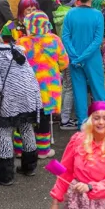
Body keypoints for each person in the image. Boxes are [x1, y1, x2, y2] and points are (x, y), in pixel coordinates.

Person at [48, 102, 105, 209]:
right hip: (77, 201)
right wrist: (55, 202)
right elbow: (64, 171)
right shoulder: (77, 140)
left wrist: (90, 188)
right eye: (96, 118)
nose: (101, 122)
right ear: (90, 121)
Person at [0, 25, 43, 184]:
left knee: (4, 132)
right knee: (26, 127)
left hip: (11, 98)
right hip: (31, 94)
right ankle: (30, 166)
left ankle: (6, 174)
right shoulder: (16, 50)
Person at [17, 10, 69, 161]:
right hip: (48, 86)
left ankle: (20, 149)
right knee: (44, 116)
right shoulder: (54, 40)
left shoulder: (22, 42)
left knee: (24, 117)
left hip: (27, 85)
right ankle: (43, 150)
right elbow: (65, 63)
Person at [61, 0, 105, 129]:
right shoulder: (97, 15)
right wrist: (83, 57)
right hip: (91, 58)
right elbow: (97, 40)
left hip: (74, 59)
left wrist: (75, 56)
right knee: (98, 89)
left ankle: (82, 123)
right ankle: (104, 120)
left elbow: (65, 37)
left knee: (79, 91)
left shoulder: (70, 14)